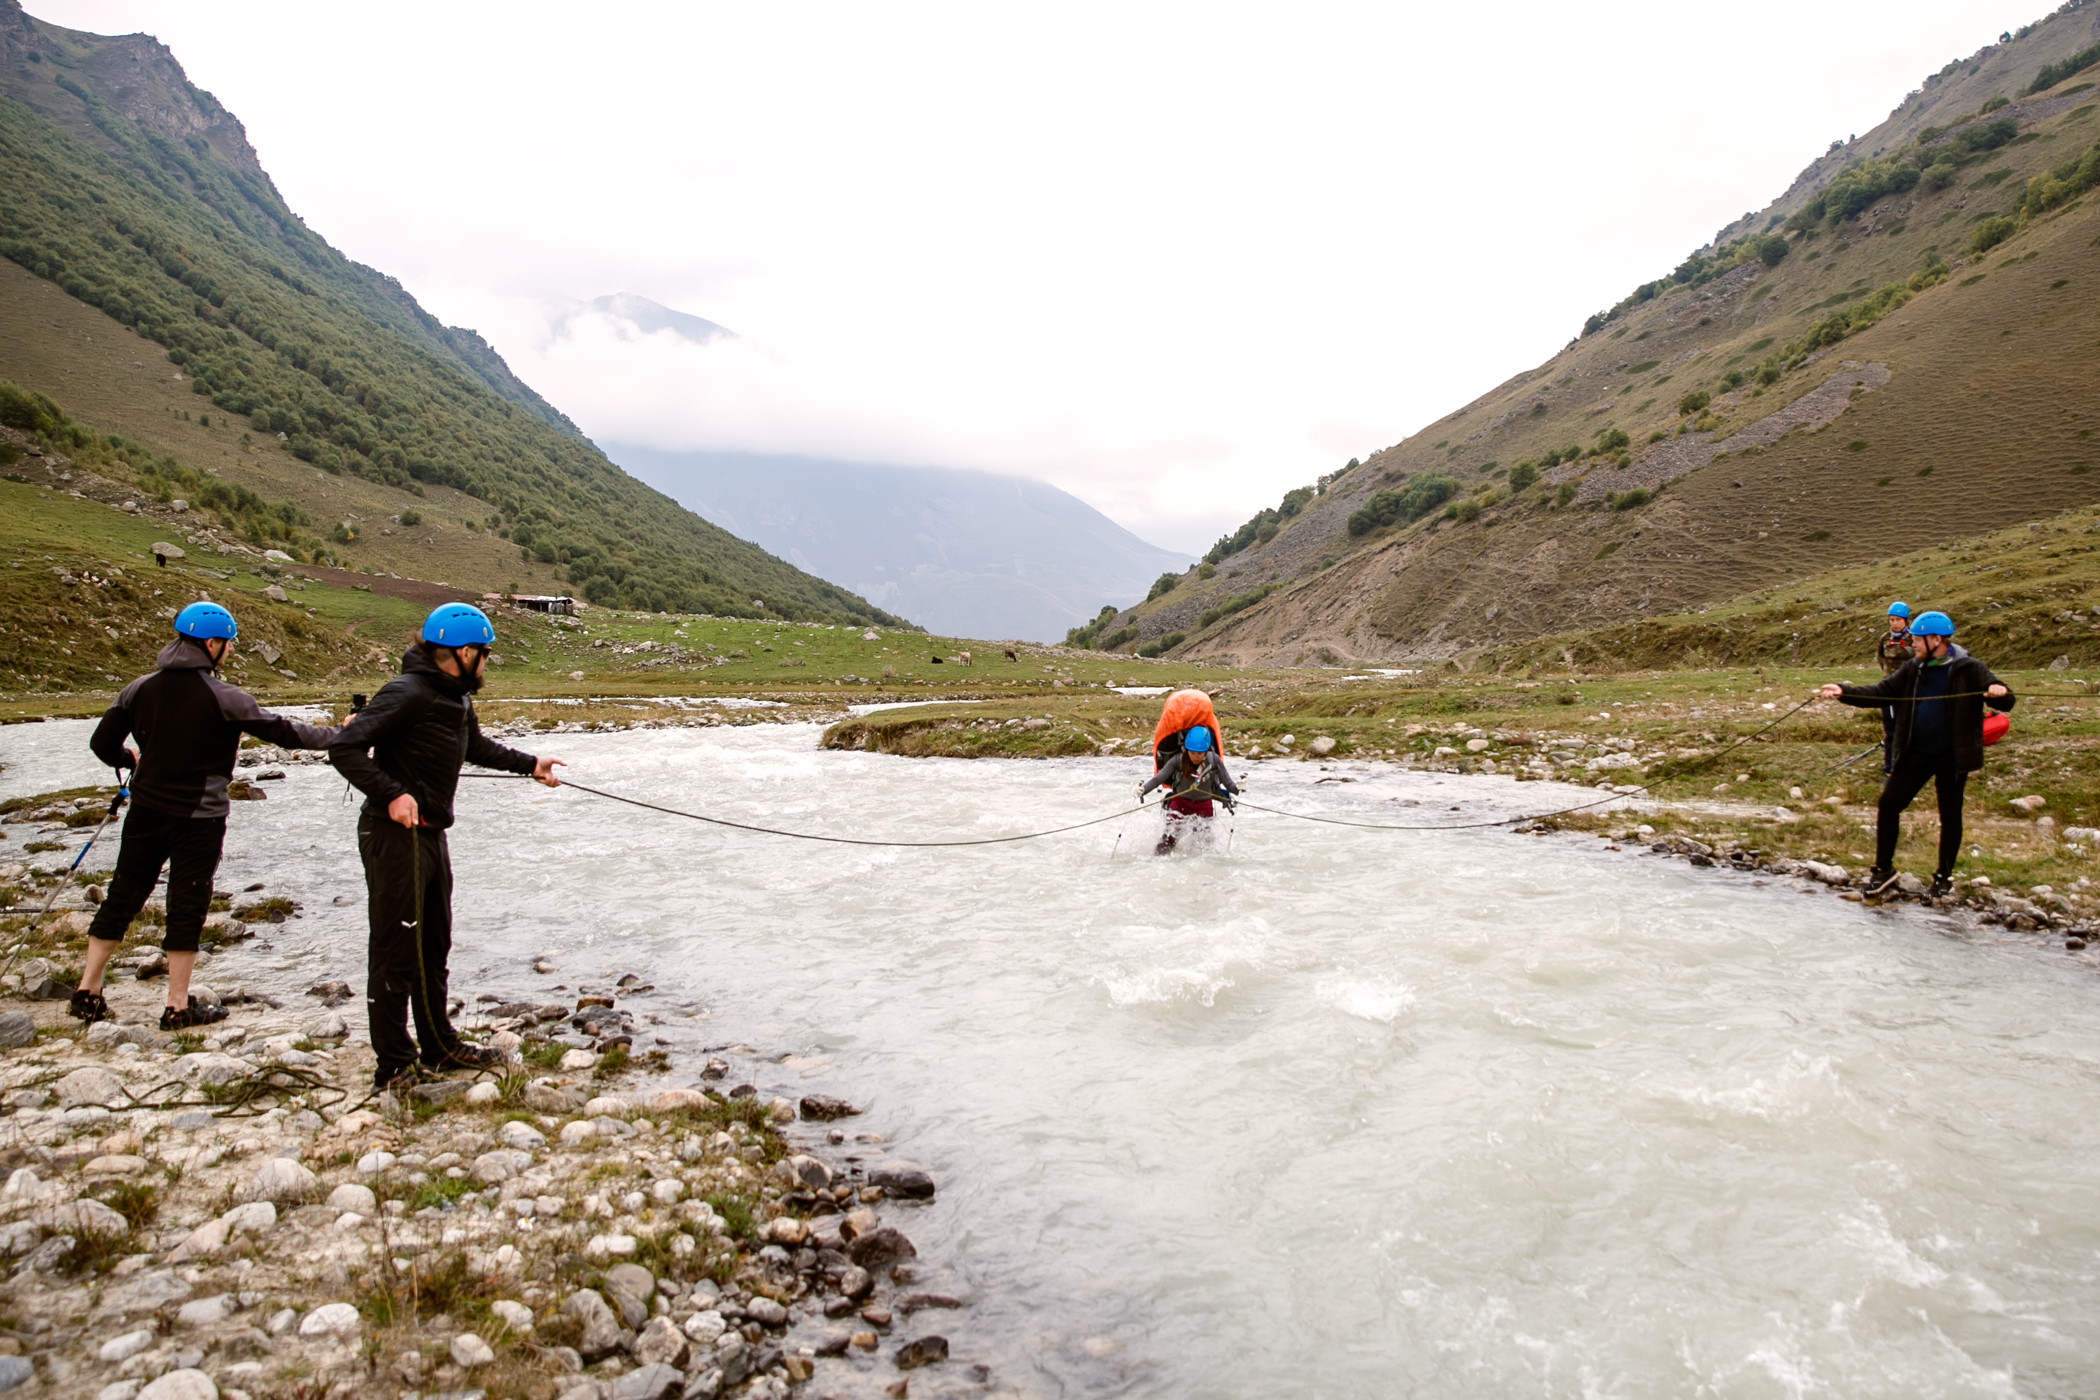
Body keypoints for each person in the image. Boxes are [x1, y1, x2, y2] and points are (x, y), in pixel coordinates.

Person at [329, 603, 564, 1090]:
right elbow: (344, 747)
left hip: (430, 833)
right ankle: (393, 1063)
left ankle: (438, 1046)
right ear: (461, 652)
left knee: (433, 943)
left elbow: (475, 748)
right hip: (392, 834)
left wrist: (530, 764)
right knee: (395, 947)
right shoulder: (407, 692)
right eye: (484, 654)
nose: (486, 664)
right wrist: (392, 793)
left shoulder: (455, 697)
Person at [75, 601, 339, 1029]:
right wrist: (345, 733)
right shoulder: (224, 696)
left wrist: (130, 757)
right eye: (229, 644)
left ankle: (88, 990)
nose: (230, 651)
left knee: (123, 894)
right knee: (188, 904)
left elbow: (102, 745)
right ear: (212, 644)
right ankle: (178, 1006)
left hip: (144, 811)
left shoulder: (138, 688)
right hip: (199, 819)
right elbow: (287, 733)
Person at [1819, 610, 2013, 898]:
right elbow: (1881, 692)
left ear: (1936, 639)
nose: (1913, 645)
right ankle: (1883, 870)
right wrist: (1843, 692)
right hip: (1916, 750)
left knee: (1950, 815)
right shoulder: (1913, 668)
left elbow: (2007, 700)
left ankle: (1943, 878)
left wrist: (1999, 692)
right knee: (1889, 804)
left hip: (1952, 755)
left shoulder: (1969, 668)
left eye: (1918, 640)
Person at [1139, 688, 1238, 855]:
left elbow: (1228, 784)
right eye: (1192, 753)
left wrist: (1239, 788)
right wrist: (1142, 790)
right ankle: (1155, 862)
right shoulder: (1177, 760)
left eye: (1200, 753)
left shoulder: (1214, 760)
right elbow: (1158, 779)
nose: (1196, 757)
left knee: (1206, 846)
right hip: (1179, 803)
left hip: (1204, 805)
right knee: (1168, 841)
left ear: (1206, 750)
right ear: (1186, 749)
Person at [1874, 601, 1912, 773]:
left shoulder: (1914, 637)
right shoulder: (1884, 638)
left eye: (1898, 620)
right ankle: (1890, 766)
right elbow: (1880, 658)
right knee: (1890, 729)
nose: (1894, 623)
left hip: (1910, 689)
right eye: (1891, 620)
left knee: (1910, 727)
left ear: (1905, 620)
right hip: (1889, 688)